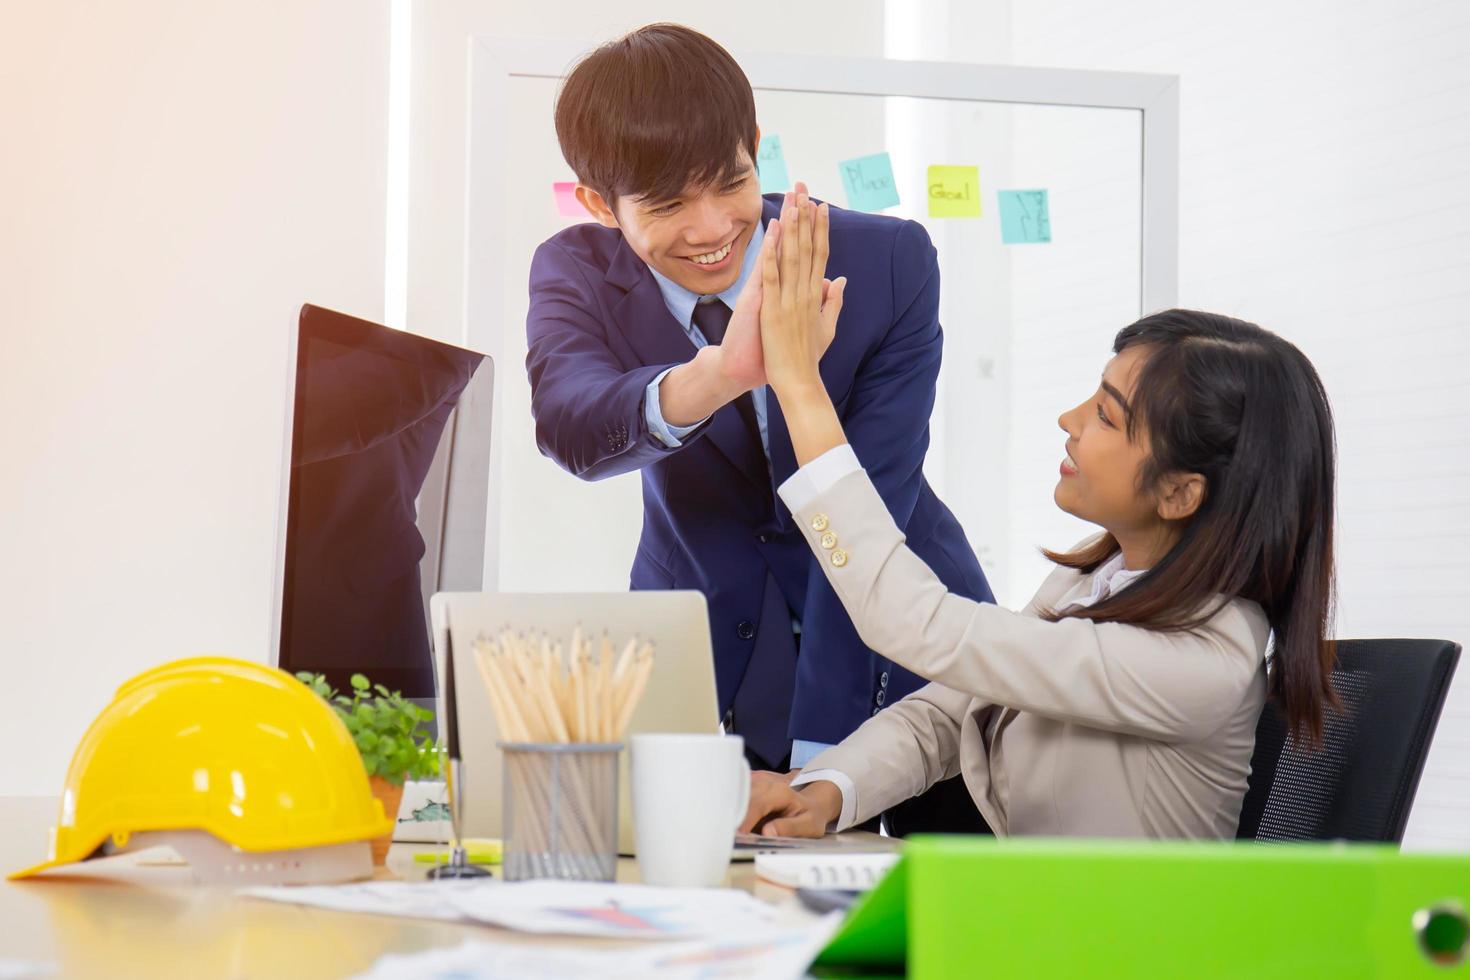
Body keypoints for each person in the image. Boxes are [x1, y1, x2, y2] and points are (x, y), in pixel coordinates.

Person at [739, 196, 1338, 839]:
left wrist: (799, 384)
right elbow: (952, 708)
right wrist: (826, 790)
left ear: (1179, 493)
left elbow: (916, 623)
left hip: (1109, 937)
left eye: (1107, 415)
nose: (1071, 421)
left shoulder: (1201, 657)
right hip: (1032, 914)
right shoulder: (1100, 577)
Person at [525, 25, 993, 832]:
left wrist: (823, 770)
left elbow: (872, 504)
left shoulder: (887, 261)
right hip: (710, 660)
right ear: (601, 204)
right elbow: (571, 424)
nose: (711, 228)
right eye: (669, 205)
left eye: (730, 183)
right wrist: (723, 373)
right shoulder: (576, 271)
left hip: (904, 666)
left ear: (757, 148)